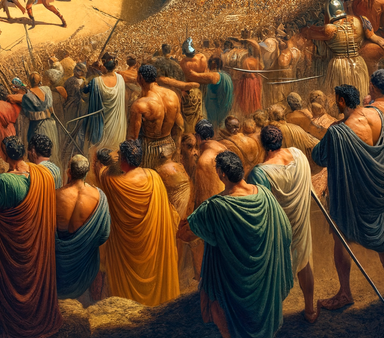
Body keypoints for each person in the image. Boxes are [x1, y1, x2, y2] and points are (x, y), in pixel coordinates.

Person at [180, 151, 293, 338]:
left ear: (222, 174)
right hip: (262, 284)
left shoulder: (214, 207)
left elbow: (185, 235)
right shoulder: (264, 195)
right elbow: (286, 231)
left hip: (231, 282)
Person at [312, 82, 384, 310]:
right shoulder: (378, 115)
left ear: (341, 101)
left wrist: (334, 130)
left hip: (352, 195)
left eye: (335, 99)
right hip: (378, 192)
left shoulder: (338, 131)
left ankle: (345, 293)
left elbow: (319, 156)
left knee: (341, 238)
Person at [0, 135, 62, 338]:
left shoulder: (4, 181)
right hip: (34, 242)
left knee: (0, 280)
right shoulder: (43, 175)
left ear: (4, 155)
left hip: (7, 244)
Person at [95, 139, 180, 307]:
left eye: (119, 156)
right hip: (151, 248)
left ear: (124, 160)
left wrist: (103, 160)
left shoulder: (112, 182)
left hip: (127, 253)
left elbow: (99, 170)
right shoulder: (153, 177)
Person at [249, 124, 317, 322]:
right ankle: (310, 310)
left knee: (272, 272)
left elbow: (261, 207)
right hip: (301, 222)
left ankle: (271, 317)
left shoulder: (260, 173)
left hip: (278, 230)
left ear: (263, 145)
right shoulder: (298, 155)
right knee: (305, 263)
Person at [55, 153, 110, 304]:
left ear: (69, 172)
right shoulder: (99, 197)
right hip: (85, 264)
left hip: (59, 264)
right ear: (87, 173)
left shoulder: (55, 195)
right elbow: (104, 235)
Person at [129, 63, 181, 169]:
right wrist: (178, 148)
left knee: (150, 180)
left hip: (149, 149)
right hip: (169, 145)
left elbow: (132, 137)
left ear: (140, 78)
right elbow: (180, 126)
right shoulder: (173, 95)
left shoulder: (140, 104)